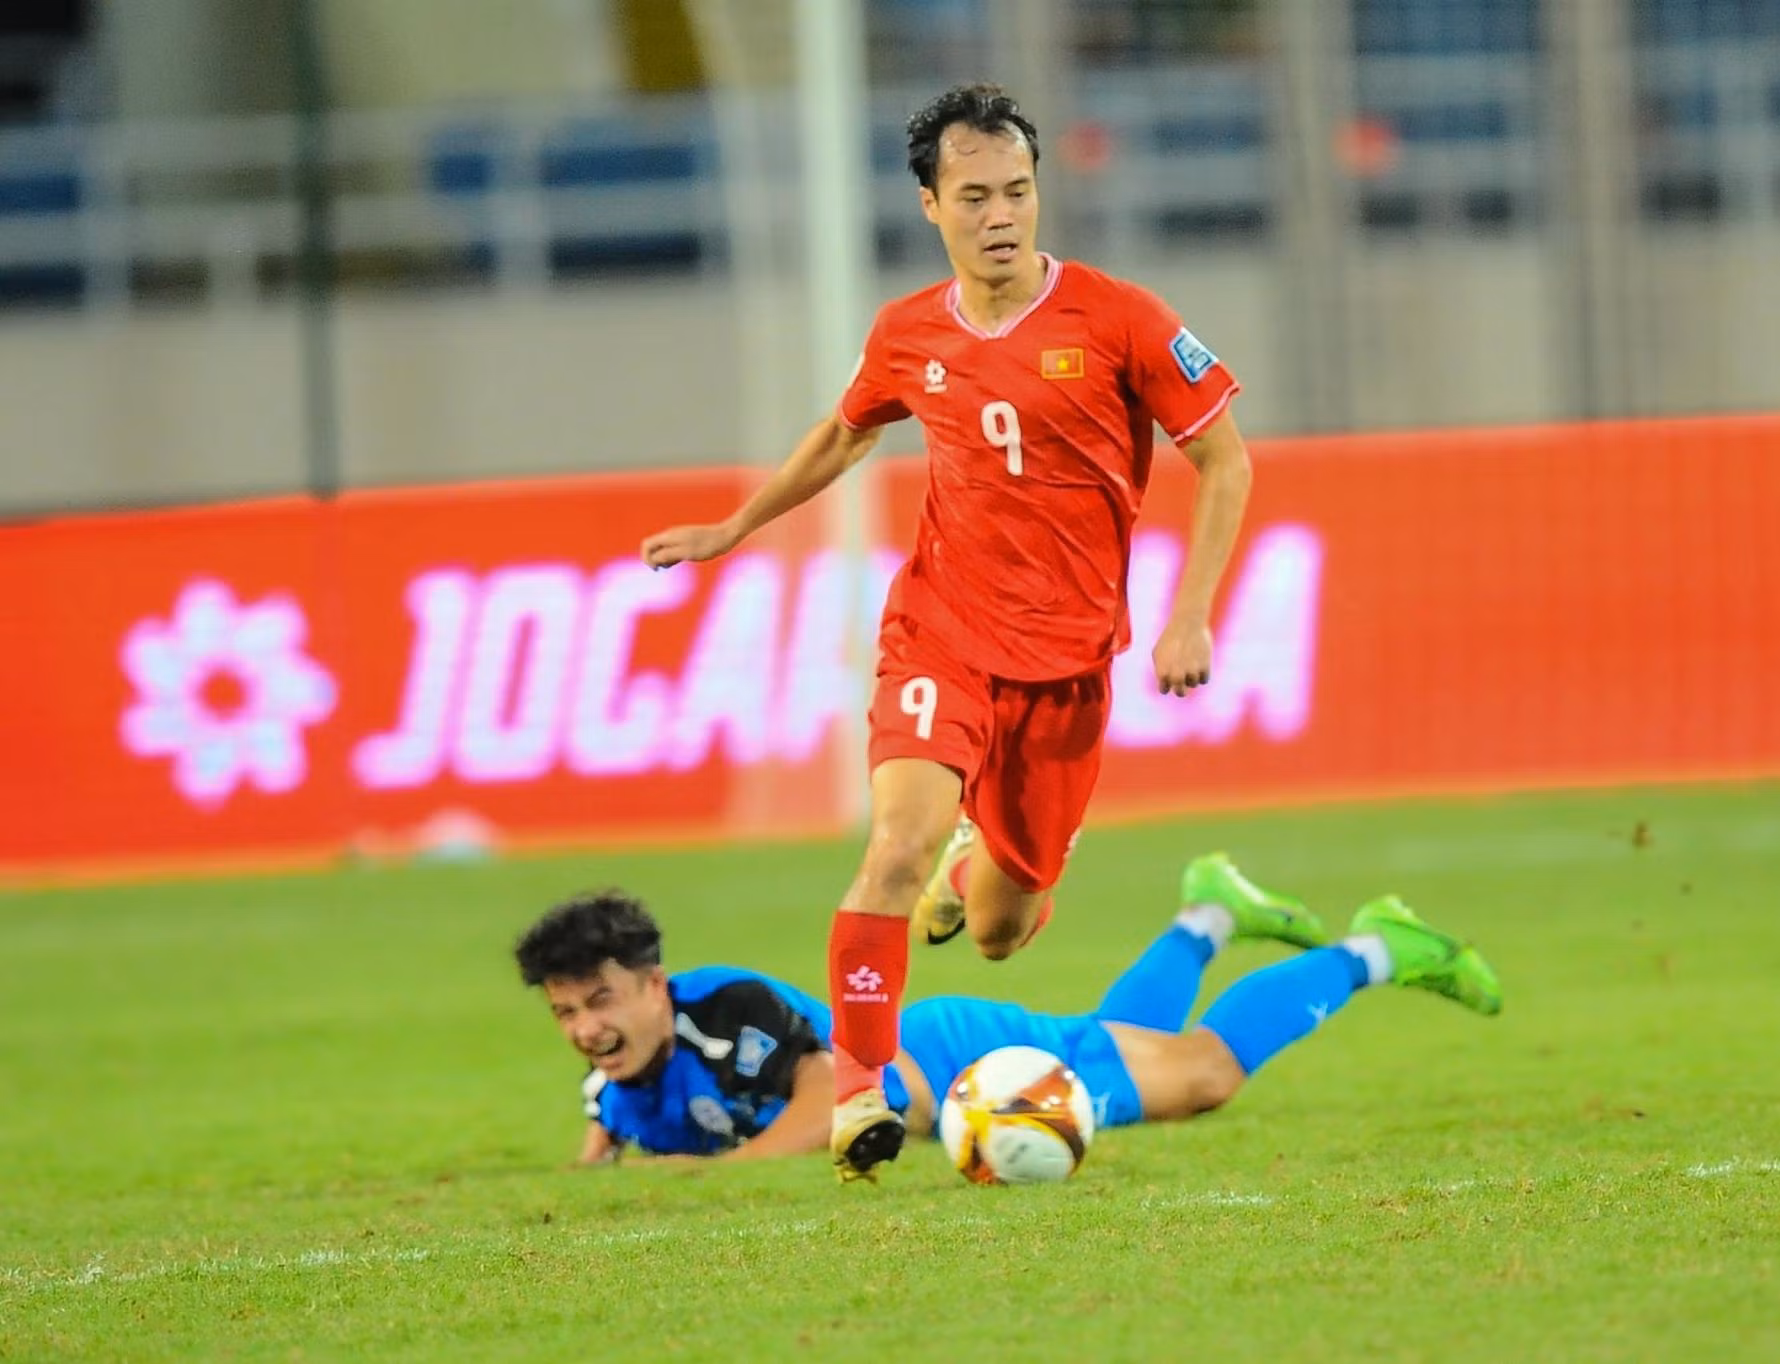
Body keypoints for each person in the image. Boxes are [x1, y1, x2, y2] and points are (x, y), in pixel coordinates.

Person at [638, 83, 1258, 1181]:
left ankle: (975, 865)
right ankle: (861, 1089)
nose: (1000, 215)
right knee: (892, 848)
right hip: (943, 632)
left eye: (1017, 191)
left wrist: (1192, 612)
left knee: (1001, 930)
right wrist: (735, 528)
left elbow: (1224, 458)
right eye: (974, 197)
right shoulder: (908, 331)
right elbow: (843, 433)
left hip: (1066, 666)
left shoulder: (1121, 318)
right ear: (930, 205)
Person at [513, 855, 1502, 1169]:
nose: (587, 1028)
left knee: (1201, 1075)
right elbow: (608, 1123)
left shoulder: (730, 1007)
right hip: (946, 1085)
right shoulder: (615, 1078)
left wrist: (722, 1174)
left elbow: (839, 1097)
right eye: (566, 1012)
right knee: (1135, 1050)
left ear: (654, 984)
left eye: (601, 999)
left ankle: (1378, 946)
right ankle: (1207, 913)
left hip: (957, 1062)